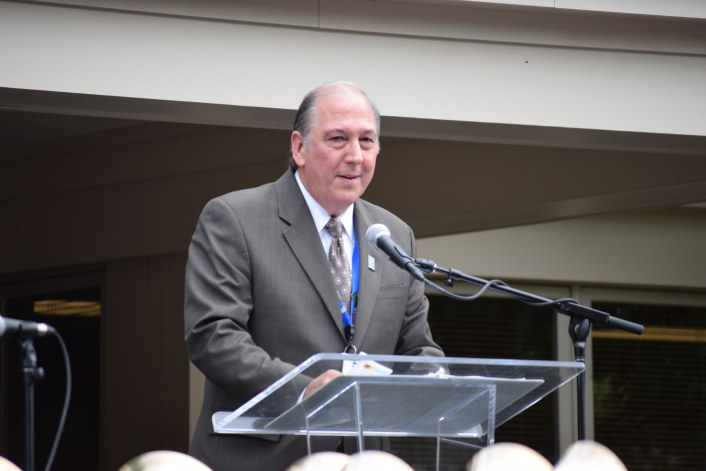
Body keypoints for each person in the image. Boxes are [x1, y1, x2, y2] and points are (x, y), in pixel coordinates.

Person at [184, 82, 444, 471]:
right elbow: (214, 336)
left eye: (367, 141)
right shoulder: (235, 218)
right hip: (263, 458)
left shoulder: (393, 234)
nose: (355, 156)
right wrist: (305, 389)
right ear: (299, 147)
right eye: (338, 139)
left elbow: (417, 347)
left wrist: (434, 379)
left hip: (363, 460)